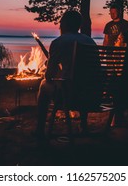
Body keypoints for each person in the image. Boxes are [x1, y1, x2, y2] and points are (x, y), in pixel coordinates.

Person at [34, 10, 96, 138]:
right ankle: (83, 125)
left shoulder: (59, 42)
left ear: (65, 24)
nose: (59, 25)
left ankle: (40, 130)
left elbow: (49, 76)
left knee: (43, 84)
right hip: (92, 95)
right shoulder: (90, 41)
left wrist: (54, 70)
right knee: (83, 81)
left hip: (70, 95)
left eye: (61, 22)